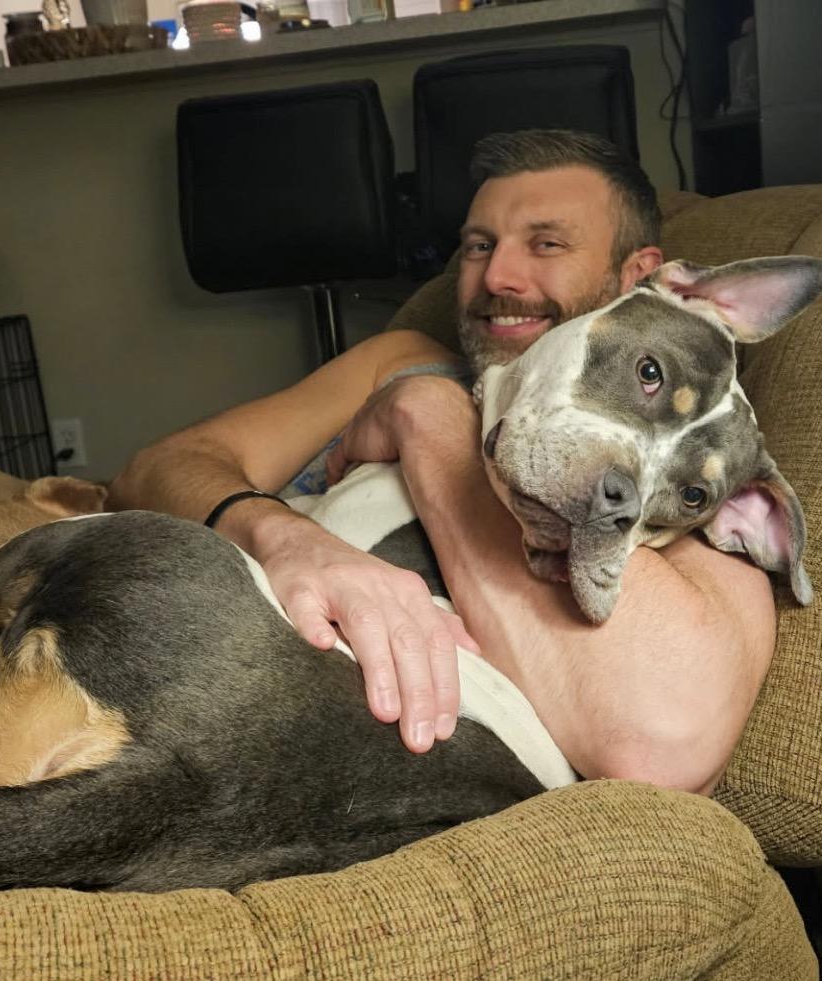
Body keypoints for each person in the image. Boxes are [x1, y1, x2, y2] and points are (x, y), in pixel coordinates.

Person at [108, 130, 775, 794]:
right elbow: (152, 471)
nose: (497, 277)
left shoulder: (683, 473)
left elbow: (660, 740)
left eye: (546, 244)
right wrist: (285, 537)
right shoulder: (401, 360)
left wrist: (432, 422)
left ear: (636, 276)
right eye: (479, 245)